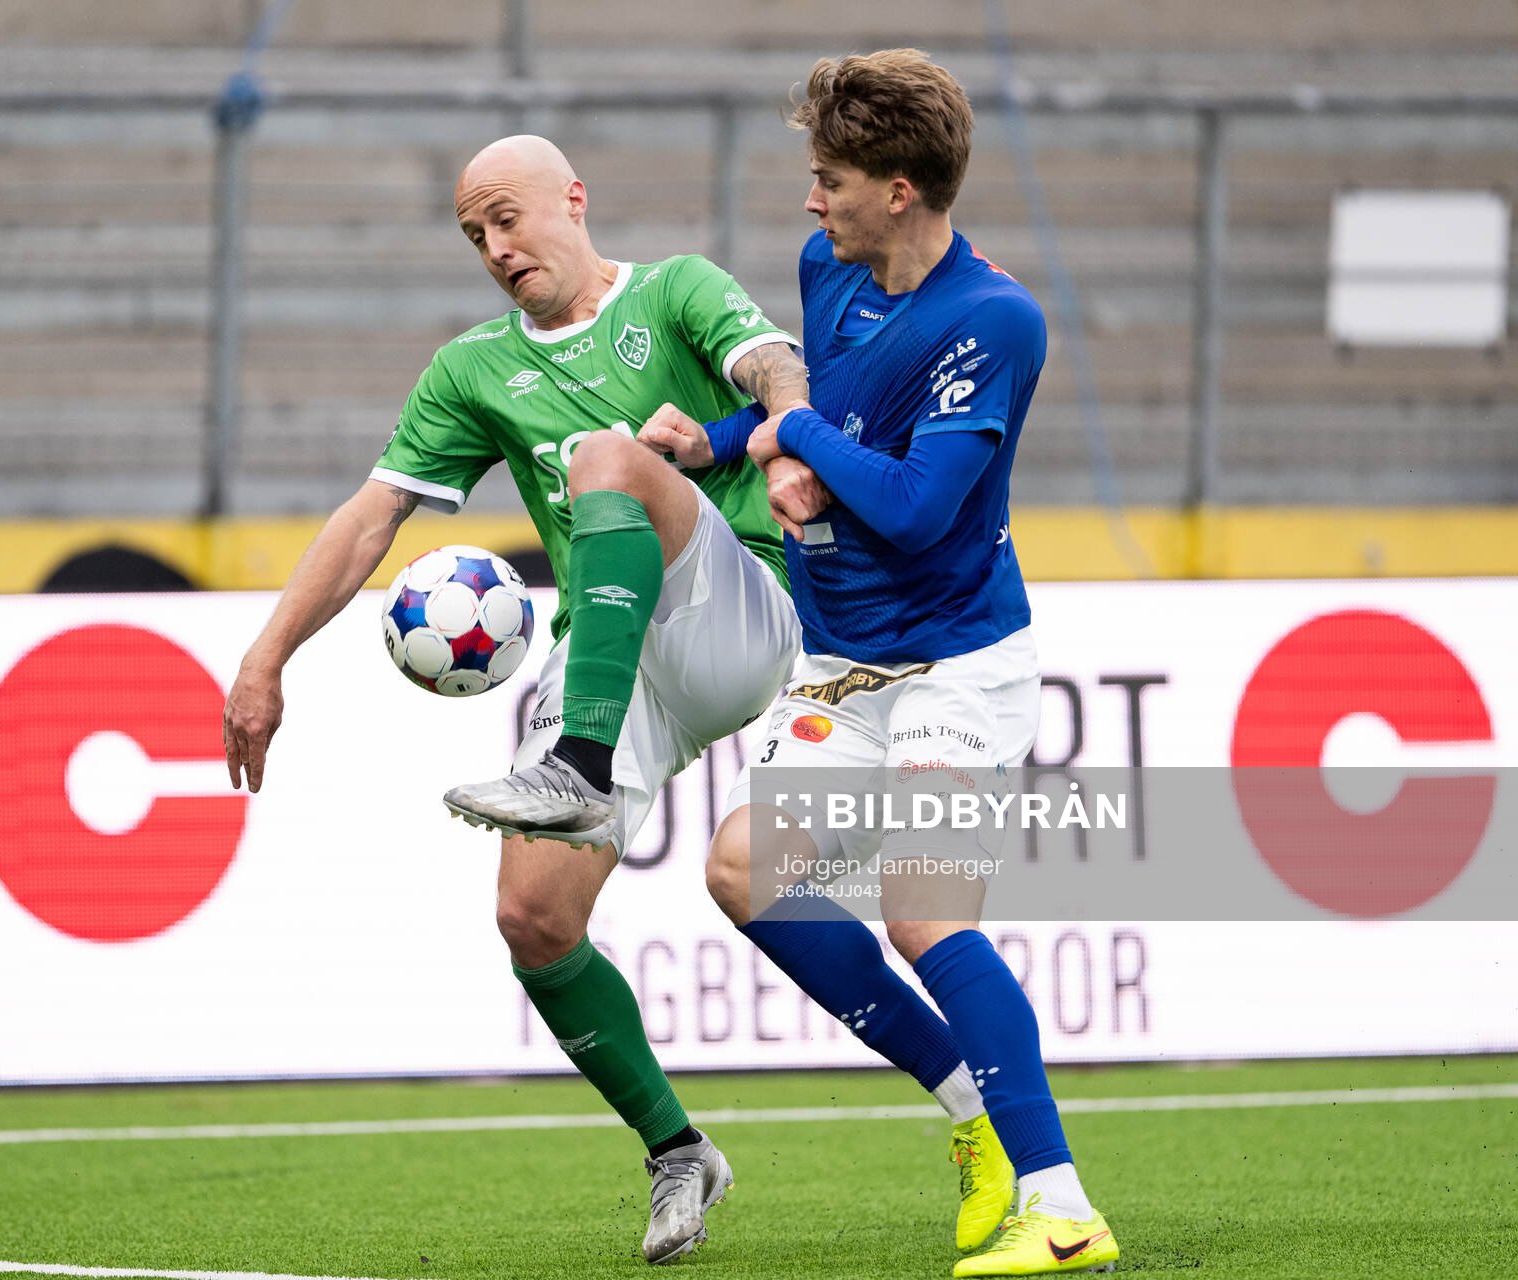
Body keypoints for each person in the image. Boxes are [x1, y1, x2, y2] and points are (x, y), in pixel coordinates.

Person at [227, 132, 999, 1264]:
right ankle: (686, 1147)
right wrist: (265, 658)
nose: (496, 247)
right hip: (613, 653)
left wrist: (788, 441)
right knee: (534, 920)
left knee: (604, 458)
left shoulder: (675, 289)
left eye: (508, 218)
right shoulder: (471, 370)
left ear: (574, 199)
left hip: (745, 605)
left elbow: (774, 363)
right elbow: (371, 517)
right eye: (474, 234)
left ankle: (576, 765)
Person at [674, 50, 1120, 1275]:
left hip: (960, 661)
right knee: (745, 872)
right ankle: (968, 1105)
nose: (812, 200)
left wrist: (787, 433)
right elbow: (830, 418)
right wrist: (715, 439)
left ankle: (1062, 1207)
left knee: (923, 908)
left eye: (832, 179)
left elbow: (919, 508)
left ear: (901, 189)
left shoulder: (995, 320)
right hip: (843, 658)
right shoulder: (830, 267)